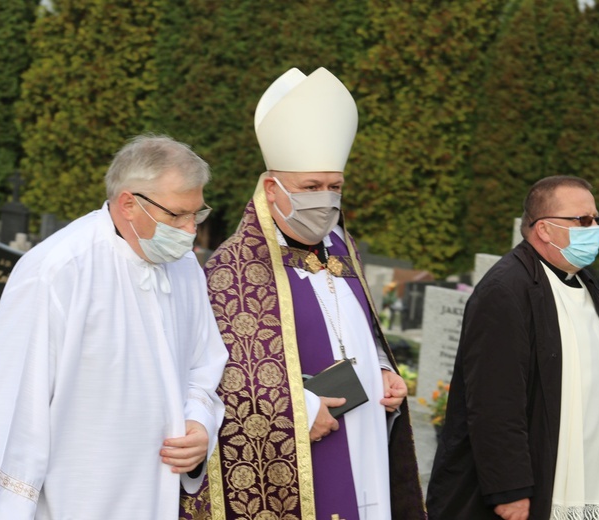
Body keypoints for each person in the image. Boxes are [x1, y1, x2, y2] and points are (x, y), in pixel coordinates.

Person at [178, 67, 425, 519]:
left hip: (366, 438)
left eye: (335, 187)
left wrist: (384, 368)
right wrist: (301, 409)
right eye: (311, 188)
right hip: (302, 451)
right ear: (272, 188)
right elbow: (219, 372)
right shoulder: (233, 268)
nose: (326, 200)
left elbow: (362, 330)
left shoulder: (342, 248)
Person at [0, 135, 228, 519]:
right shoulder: (58, 270)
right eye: (177, 215)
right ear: (130, 203)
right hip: (76, 498)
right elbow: (11, 409)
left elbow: (203, 365)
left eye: (197, 213)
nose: (190, 229)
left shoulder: (183, 269)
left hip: (153, 493)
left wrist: (199, 422)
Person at [426, 176, 599, 519]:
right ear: (544, 229)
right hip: (535, 486)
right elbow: (494, 400)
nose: (594, 228)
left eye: (597, 219)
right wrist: (509, 489)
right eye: (582, 220)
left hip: (592, 476)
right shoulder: (506, 289)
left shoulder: (582, 281)